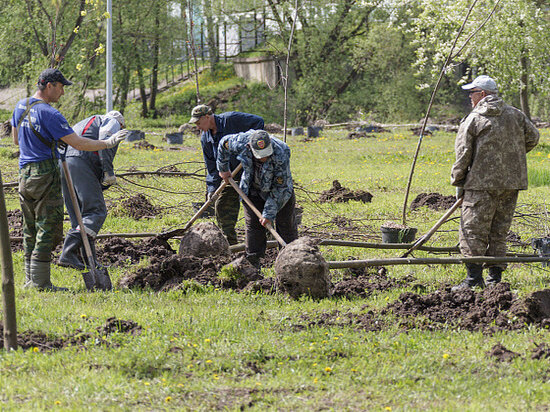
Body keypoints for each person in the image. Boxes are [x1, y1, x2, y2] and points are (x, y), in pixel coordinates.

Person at [11, 68, 128, 291]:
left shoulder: (20, 105)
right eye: (61, 87)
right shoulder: (50, 113)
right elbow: (80, 143)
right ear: (49, 86)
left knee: (30, 226)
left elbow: (16, 140)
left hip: (24, 173)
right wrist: (108, 143)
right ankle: (42, 283)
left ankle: (29, 280)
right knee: (49, 227)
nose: (63, 92)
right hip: (45, 172)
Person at [451, 75, 539, 291]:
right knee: (499, 230)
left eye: (471, 93)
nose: (469, 97)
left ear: (482, 94)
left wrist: (458, 181)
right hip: (511, 183)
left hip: (480, 185)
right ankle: (495, 280)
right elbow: (533, 137)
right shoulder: (516, 115)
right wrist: (510, 157)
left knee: (472, 230)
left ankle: (473, 279)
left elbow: (463, 154)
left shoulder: (474, 119)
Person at [217, 130, 298, 267]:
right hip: (252, 189)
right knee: (254, 228)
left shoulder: (281, 153)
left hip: (280, 193)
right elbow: (223, 144)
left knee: (286, 227)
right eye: (260, 155)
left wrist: (268, 214)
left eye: (266, 154)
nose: (263, 158)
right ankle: (253, 265)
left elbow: (280, 188)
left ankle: (291, 261)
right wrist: (223, 168)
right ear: (250, 147)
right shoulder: (240, 142)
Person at [58, 111, 126, 271]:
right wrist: (108, 172)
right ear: (121, 124)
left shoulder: (84, 121)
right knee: (96, 211)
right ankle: (68, 252)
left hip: (65, 162)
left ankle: (89, 261)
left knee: (79, 218)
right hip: (81, 161)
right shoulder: (112, 121)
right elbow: (105, 138)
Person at [189, 104, 264, 245]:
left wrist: (253, 146)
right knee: (222, 206)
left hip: (250, 170)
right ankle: (230, 244)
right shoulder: (205, 139)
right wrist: (212, 189)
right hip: (230, 177)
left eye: (199, 123)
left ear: (207, 117)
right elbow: (211, 167)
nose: (198, 127)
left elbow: (258, 122)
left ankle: (267, 241)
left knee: (257, 207)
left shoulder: (231, 119)